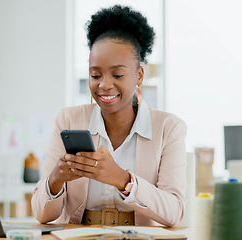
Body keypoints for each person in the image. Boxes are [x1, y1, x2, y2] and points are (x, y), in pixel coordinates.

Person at [31, 5, 187, 227]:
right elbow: (42, 215)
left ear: (139, 75)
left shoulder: (168, 127)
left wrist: (122, 179)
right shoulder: (68, 120)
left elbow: (174, 212)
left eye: (118, 74)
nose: (104, 84)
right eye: (95, 74)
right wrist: (56, 178)